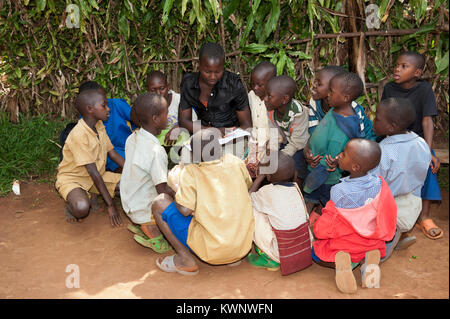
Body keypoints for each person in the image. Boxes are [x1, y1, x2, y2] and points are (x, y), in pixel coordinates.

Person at [151, 128, 254, 275]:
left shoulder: (191, 172)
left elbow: (184, 210)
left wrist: (175, 188)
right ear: (220, 148)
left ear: (196, 155)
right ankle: (232, 257)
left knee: (159, 202)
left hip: (213, 251)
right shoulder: (235, 162)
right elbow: (246, 186)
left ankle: (185, 260)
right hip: (241, 246)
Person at [311, 139, 397, 294]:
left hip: (345, 244)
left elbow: (331, 220)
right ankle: (369, 259)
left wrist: (317, 228)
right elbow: (388, 210)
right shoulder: (379, 184)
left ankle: (344, 262)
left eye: (343, 154)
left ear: (355, 167)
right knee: (367, 248)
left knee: (316, 253)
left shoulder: (338, 191)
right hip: (371, 241)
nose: (339, 155)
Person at [381, 51, 443, 240]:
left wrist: (427, 151)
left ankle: (424, 216)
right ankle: (390, 211)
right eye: (397, 65)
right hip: (394, 137)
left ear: (417, 73)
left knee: (429, 167)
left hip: (416, 141)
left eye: (403, 66)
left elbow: (427, 121)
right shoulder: (390, 88)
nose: (397, 69)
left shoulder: (424, 90)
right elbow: (385, 116)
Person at [302, 72, 375, 212]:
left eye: (331, 91)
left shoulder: (343, 126)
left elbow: (331, 158)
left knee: (325, 201)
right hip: (316, 164)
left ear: (345, 97)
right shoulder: (335, 110)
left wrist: (312, 179)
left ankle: (317, 218)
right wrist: (308, 148)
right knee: (313, 199)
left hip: (324, 174)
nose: (327, 94)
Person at [369, 98, 431, 260]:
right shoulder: (421, 143)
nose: (373, 121)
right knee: (395, 228)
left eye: (377, 118)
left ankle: (380, 255)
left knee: (376, 236)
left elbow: (374, 183)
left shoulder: (385, 150)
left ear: (392, 126)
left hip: (387, 208)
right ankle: (396, 239)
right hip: (412, 204)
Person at [55, 89, 124, 227]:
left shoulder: (99, 126)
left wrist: (135, 173)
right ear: (90, 109)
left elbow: (113, 154)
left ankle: (92, 193)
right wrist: (110, 205)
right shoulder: (79, 135)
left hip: (96, 176)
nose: (108, 109)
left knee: (130, 186)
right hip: (73, 179)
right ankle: (71, 204)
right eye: (104, 105)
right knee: (81, 208)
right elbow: (92, 172)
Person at [120, 93, 175, 253]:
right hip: (143, 209)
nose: (169, 116)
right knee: (180, 208)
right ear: (156, 119)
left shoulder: (132, 137)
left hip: (130, 202)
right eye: (166, 112)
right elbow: (162, 192)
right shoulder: (156, 151)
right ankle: (152, 230)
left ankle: (142, 224)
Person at [247, 152, 312, 275]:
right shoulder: (296, 188)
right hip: (303, 248)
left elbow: (248, 197)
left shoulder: (267, 191)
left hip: (280, 253)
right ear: (295, 175)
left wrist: (260, 178)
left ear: (269, 177)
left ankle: (268, 258)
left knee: (252, 210)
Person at [178, 42, 252, 136]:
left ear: (223, 66)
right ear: (199, 64)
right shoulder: (188, 83)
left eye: (218, 71)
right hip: (203, 134)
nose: (213, 77)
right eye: (207, 71)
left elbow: (247, 125)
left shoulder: (233, 84)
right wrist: (209, 131)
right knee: (186, 151)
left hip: (230, 137)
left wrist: (229, 133)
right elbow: (184, 121)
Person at [77, 81, 138, 173]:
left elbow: (138, 120)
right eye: (102, 103)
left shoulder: (117, 104)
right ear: (88, 107)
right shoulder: (85, 122)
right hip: (106, 154)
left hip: (127, 147)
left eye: (104, 97)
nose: (106, 104)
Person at [265, 75, 309, 183]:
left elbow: (297, 142)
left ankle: (297, 188)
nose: (265, 99)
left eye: (269, 96)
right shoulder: (270, 109)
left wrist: (282, 156)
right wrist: (273, 151)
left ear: (284, 99)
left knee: (297, 166)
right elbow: (274, 135)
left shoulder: (298, 113)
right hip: (285, 141)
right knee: (269, 161)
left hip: (299, 145)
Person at [146, 70, 195, 147]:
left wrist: (179, 127)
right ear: (148, 91)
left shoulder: (180, 100)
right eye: (153, 90)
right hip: (161, 141)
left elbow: (195, 122)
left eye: (162, 88)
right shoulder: (147, 105)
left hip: (180, 140)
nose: (158, 93)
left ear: (168, 87)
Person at [246, 61, 277, 177]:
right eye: (253, 84)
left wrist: (267, 152)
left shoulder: (275, 102)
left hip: (270, 146)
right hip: (253, 144)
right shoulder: (251, 96)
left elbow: (276, 136)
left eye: (259, 85)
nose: (255, 88)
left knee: (265, 169)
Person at [308, 65, 347, 134]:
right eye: (315, 81)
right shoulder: (314, 102)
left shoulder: (349, 107)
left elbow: (356, 135)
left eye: (319, 84)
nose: (314, 85)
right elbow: (312, 131)